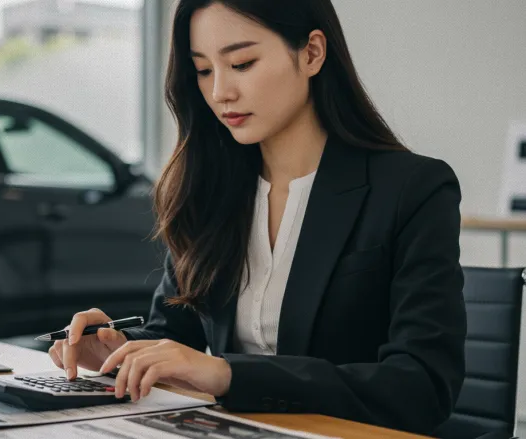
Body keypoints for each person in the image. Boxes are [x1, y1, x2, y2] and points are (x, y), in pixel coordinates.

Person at [48, 0, 466, 435]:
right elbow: (177, 335)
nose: (219, 92)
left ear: (311, 53)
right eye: (204, 70)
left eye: (242, 63)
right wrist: (116, 350)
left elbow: (423, 387)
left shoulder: (412, 188)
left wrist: (229, 374)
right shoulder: (212, 189)